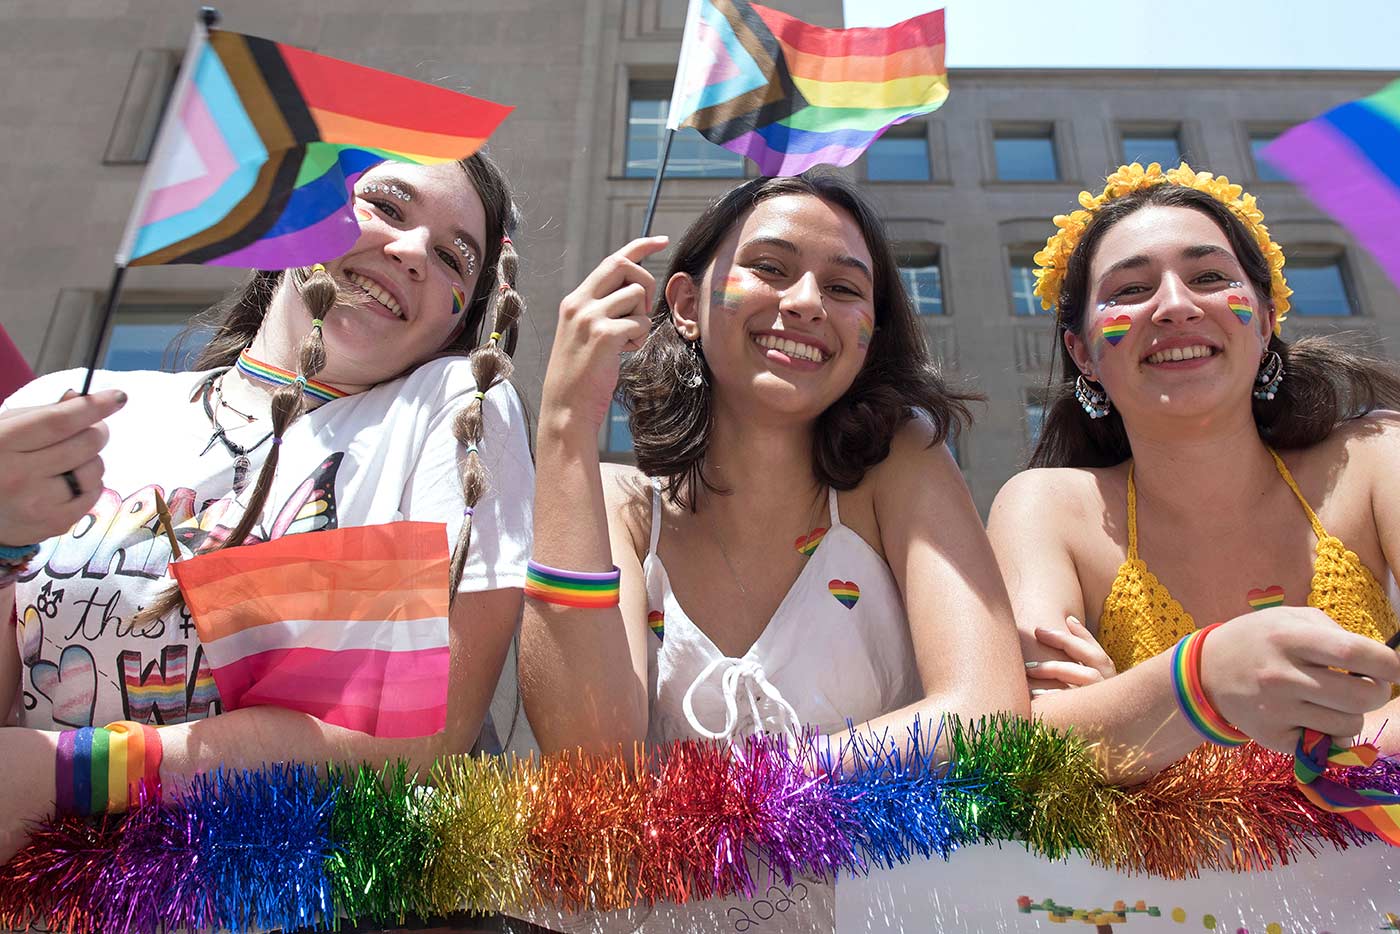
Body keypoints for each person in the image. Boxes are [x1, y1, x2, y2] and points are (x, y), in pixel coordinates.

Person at [514, 171, 1026, 930]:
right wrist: (562, 427)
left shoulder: (902, 466)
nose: (807, 302)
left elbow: (985, 712)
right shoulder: (620, 507)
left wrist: (728, 794)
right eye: (771, 269)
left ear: (869, 335)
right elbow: (591, 763)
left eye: (845, 288)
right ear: (685, 305)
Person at [0, 153, 534, 861]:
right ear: (299, 222)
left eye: (452, 258)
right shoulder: (65, 409)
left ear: (458, 317)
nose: (411, 252)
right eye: (389, 207)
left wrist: (77, 772)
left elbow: (426, 733)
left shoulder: (456, 407)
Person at [988, 162, 1400, 784]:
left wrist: (1143, 714)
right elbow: (1025, 744)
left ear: (1264, 321)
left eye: (1209, 276)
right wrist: (1202, 678)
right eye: (1129, 289)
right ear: (1082, 352)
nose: (1176, 306)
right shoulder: (1046, 508)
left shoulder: (1378, 453)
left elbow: (1088, 736)